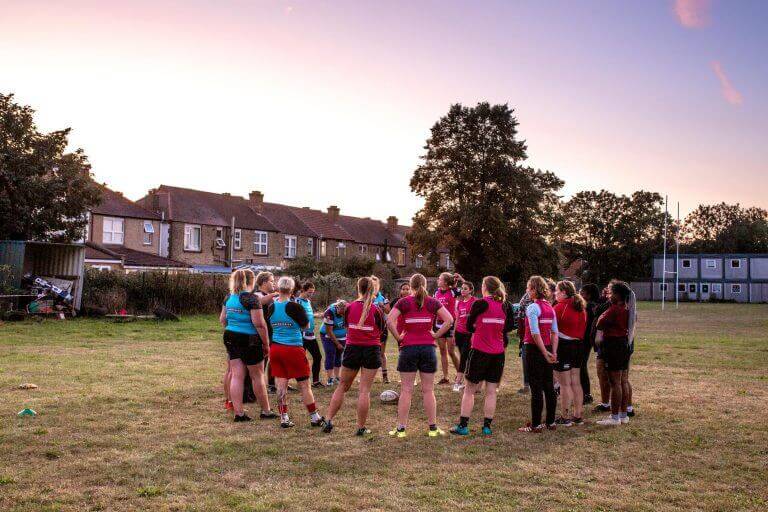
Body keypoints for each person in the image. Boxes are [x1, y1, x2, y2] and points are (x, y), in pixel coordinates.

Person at [386, 273, 453, 438]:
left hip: (408, 348)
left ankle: (401, 429)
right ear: (425, 284)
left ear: (411, 285)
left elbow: (389, 321)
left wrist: (398, 337)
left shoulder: (403, 302)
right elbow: (449, 320)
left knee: (406, 390)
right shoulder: (433, 302)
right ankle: (432, 428)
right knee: (428, 390)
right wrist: (436, 336)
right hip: (428, 349)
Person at [450, 277, 514, 436]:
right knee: (491, 391)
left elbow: (469, 325)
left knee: (469, 390)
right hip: (498, 354)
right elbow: (509, 327)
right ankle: (487, 427)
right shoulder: (505, 305)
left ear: (485, 287)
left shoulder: (480, 303)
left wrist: (481, 327)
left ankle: (463, 426)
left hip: (479, 351)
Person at [323, 277, 386, 435]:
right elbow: (381, 330)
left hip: (352, 349)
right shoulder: (377, 309)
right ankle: (360, 427)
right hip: (371, 350)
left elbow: (347, 326)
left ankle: (328, 420)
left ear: (358, 288)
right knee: (364, 390)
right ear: (373, 289)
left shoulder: (350, 307)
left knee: (342, 386)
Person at [265, 276, 326, 429]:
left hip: (276, 348)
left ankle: (284, 418)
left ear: (278, 288)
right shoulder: (294, 306)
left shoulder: (271, 307)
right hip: (293, 348)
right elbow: (306, 326)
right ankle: (314, 416)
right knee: (304, 384)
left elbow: (270, 325)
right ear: (292, 290)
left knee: (281, 384)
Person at [219, 269, 277, 421]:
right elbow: (259, 324)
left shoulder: (229, 297)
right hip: (250, 339)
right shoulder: (251, 299)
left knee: (237, 375)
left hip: (230, 336)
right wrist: (266, 344)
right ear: (251, 281)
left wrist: (234, 327)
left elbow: (222, 319)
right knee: (257, 376)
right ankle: (266, 411)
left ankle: (239, 413)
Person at [518, 276, 559, 433]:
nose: (527, 291)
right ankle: (551, 422)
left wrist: (544, 352)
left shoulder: (532, 307)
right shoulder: (550, 307)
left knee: (536, 387)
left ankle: (535, 425)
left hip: (535, 349)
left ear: (535, 289)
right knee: (548, 386)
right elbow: (554, 332)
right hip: (547, 347)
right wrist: (552, 352)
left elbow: (535, 334)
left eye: (529, 288)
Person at [595, 281, 632, 426]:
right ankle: (623, 415)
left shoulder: (615, 309)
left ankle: (614, 417)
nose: (608, 295)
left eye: (610, 293)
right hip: (623, 344)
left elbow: (600, 323)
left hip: (613, 345)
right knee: (622, 381)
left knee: (614, 382)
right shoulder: (627, 308)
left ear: (617, 295)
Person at [553, 280, 587, 426]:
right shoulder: (580, 306)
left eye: (557, 291)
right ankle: (577, 414)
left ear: (564, 293)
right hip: (579, 345)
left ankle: (565, 416)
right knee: (576, 382)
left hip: (565, 346)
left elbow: (552, 329)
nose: (555, 293)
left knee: (564, 384)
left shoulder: (560, 307)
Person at [434, 272, 460, 384]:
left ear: (445, 282)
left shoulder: (453, 292)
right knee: (442, 351)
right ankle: (445, 377)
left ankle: (460, 374)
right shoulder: (436, 292)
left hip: (450, 324)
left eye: (439, 279)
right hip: (439, 324)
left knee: (451, 351)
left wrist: (460, 279)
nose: (438, 280)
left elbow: (468, 289)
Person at [296, 281, 323, 388]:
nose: (311, 294)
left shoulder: (308, 301)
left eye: (312, 292)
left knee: (318, 356)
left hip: (311, 335)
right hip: (301, 335)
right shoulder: (297, 301)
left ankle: (315, 381)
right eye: (309, 292)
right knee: (300, 359)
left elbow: (308, 315)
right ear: (303, 290)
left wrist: (318, 315)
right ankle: (300, 381)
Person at [452, 281, 476, 392]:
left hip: (469, 333)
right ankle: (466, 379)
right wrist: (453, 333)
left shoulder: (474, 302)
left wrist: (474, 333)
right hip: (459, 333)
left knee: (464, 357)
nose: (463, 290)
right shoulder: (460, 303)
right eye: (462, 288)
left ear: (471, 290)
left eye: (465, 288)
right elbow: (457, 319)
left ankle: (457, 382)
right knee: (464, 356)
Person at [592, 284, 612, 413]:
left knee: (608, 376)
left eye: (609, 291)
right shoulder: (609, 306)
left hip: (608, 345)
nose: (606, 294)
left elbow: (599, 320)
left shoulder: (611, 308)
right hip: (608, 345)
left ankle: (608, 404)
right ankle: (624, 407)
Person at [578, 284, 600, 405]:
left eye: (583, 293)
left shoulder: (589, 306)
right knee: (581, 365)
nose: (580, 295)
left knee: (581, 365)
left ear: (589, 295)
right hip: (587, 339)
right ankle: (584, 393)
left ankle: (586, 394)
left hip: (585, 339)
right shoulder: (593, 306)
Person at [320, 300, 348, 386]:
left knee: (339, 356)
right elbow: (329, 331)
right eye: (341, 312)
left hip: (342, 336)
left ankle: (337, 377)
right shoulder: (329, 313)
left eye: (345, 312)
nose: (343, 314)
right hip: (328, 336)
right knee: (330, 354)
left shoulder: (348, 310)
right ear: (337, 308)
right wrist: (337, 344)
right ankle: (330, 378)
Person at [371, 276, 392, 383]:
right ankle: (369, 376)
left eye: (375, 285)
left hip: (381, 329)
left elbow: (388, 311)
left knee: (381, 353)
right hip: (369, 330)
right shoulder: (365, 298)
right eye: (371, 285)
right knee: (369, 353)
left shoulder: (383, 298)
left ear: (378, 286)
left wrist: (382, 306)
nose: (373, 287)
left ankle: (385, 376)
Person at [516, 291, 533, 394]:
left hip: (533, 335)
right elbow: (520, 318)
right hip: (526, 335)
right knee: (526, 359)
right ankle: (527, 386)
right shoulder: (525, 298)